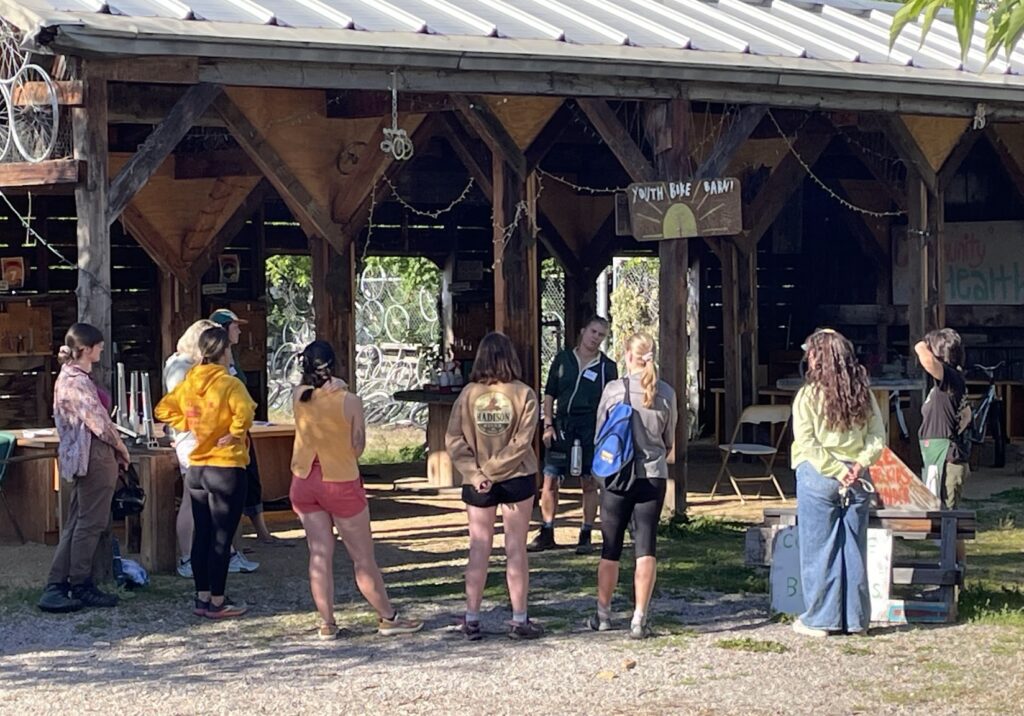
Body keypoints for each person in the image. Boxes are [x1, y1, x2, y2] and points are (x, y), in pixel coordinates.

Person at [290, 340, 423, 639]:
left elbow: (311, 396)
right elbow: (358, 447)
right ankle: (387, 617)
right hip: (339, 479)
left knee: (319, 554)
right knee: (362, 557)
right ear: (334, 365)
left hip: (303, 479)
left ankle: (327, 623)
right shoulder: (350, 400)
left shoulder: (299, 395)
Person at [446, 332, 543, 640]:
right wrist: (495, 469)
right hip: (517, 478)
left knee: (479, 547)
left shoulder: (468, 394)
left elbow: (453, 439)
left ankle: (472, 617)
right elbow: (522, 442)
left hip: (478, 483)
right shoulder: (524, 394)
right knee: (516, 549)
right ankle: (519, 618)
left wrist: (477, 473)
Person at [790, 328, 885, 638]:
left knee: (820, 549)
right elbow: (878, 437)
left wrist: (833, 468)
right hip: (857, 475)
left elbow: (806, 440)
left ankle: (821, 619)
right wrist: (857, 465)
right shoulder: (863, 393)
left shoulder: (808, 395)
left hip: (820, 476)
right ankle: (857, 620)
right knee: (854, 549)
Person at [155, 326, 255, 619]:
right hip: (225, 465)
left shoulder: (189, 381)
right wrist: (235, 432)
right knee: (222, 537)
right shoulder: (229, 384)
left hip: (197, 467)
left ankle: (201, 596)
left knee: (202, 534)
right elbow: (245, 412)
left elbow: (163, 409)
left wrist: (188, 424)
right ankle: (218, 600)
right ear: (224, 351)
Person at [588, 333, 677, 639]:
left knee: (610, 547)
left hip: (616, 476)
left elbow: (600, 433)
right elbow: (670, 441)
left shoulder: (614, 390)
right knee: (646, 545)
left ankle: (602, 614)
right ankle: (639, 617)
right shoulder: (665, 393)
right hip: (652, 474)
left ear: (627, 356)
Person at [38, 324, 132, 613]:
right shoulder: (76, 381)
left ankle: (58, 583)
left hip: (84, 455)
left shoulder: (72, 377)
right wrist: (121, 447)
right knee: (90, 523)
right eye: (98, 346)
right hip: (93, 454)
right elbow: (99, 423)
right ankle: (80, 582)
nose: (101, 350)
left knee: (78, 521)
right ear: (87, 349)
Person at [529, 316, 616, 554]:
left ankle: (586, 533)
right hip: (562, 425)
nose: (595, 338)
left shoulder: (607, 367)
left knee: (589, 482)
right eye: (593, 332)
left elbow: (611, 402)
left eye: (601, 335)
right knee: (550, 480)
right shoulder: (562, 359)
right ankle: (547, 530)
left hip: (591, 428)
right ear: (583, 330)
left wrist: (604, 433)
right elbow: (549, 394)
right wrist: (548, 424)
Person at [209, 308, 276, 545]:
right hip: (225, 432)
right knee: (232, 484)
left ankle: (261, 531)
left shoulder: (232, 357)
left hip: (241, 429)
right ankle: (233, 543)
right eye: (235, 326)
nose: (239, 330)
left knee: (251, 479)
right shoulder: (214, 363)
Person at [915, 329, 970, 509]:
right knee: (939, 519)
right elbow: (967, 414)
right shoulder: (950, 383)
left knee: (947, 519)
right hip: (937, 455)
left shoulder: (951, 376)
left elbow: (928, 362)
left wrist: (921, 345)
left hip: (947, 459)